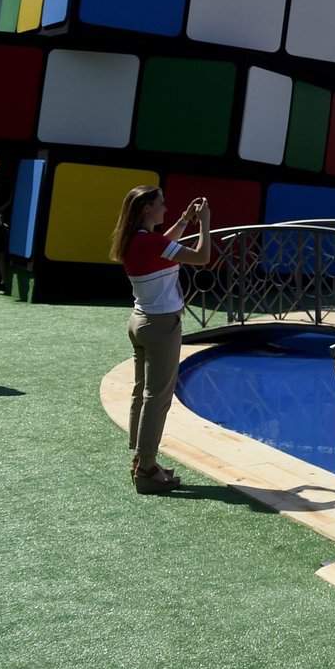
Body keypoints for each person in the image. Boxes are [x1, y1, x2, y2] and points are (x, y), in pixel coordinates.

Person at [111, 186, 214, 494]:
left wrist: (184, 219)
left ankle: (141, 459)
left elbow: (164, 243)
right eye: (161, 204)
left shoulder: (135, 240)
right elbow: (202, 257)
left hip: (140, 321)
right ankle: (146, 469)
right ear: (147, 209)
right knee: (158, 399)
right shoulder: (152, 242)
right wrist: (204, 222)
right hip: (161, 326)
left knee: (142, 394)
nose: (165, 209)